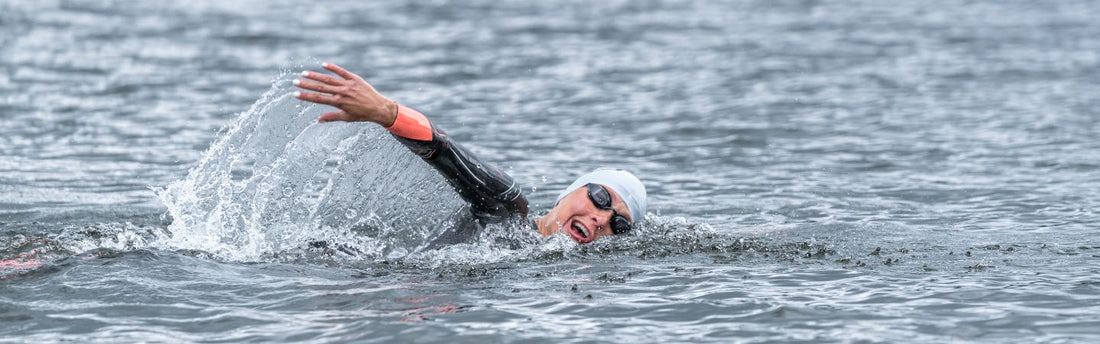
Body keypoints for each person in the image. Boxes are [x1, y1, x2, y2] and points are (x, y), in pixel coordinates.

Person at [293, 63, 646, 245]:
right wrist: (386, 112)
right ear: (570, 192)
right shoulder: (506, 211)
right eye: (601, 197)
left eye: (620, 224)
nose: (602, 219)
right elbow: (445, 151)